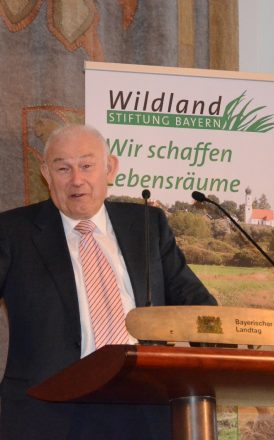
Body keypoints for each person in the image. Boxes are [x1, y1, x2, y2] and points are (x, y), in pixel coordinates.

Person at [0, 124, 217, 439]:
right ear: (46, 174)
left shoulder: (147, 225)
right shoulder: (13, 232)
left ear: (110, 168)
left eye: (87, 166)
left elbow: (197, 306)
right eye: (63, 168)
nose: (77, 180)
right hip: (48, 411)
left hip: (145, 405)